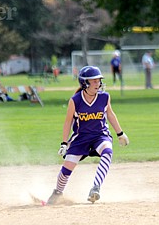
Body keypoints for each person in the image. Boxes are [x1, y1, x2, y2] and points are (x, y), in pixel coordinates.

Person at [46, 65, 129, 205]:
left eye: (99, 80)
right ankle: (57, 192)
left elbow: (110, 114)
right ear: (85, 83)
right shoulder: (75, 100)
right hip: (81, 138)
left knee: (107, 151)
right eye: (94, 81)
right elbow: (68, 122)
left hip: (100, 135)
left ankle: (95, 188)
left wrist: (120, 133)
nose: (98, 83)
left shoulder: (104, 97)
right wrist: (64, 143)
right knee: (66, 170)